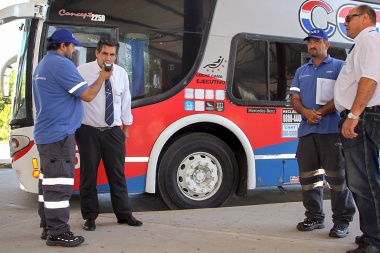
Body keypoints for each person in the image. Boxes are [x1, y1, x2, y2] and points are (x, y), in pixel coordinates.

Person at [33, 29, 111, 247]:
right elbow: (87, 95)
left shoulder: (43, 64)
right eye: (72, 45)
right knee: (59, 184)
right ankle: (58, 232)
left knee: (47, 183)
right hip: (59, 134)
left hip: (46, 132)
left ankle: (48, 226)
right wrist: (102, 78)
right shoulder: (61, 64)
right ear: (63, 45)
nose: (74, 49)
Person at [290, 28, 356, 238]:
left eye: (317, 41)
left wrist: (318, 113)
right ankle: (315, 217)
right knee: (309, 178)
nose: (312, 45)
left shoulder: (339, 67)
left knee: (337, 179)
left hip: (331, 132)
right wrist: (307, 113)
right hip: (308, 132)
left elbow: (342, 96)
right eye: (310, 41)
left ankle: (342, 221)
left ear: (327, 44)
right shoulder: (302, 71)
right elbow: (294, 98)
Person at [76, 37, 142, 231]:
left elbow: (125, 101)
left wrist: (126, 128)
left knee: (117, 174)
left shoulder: (121, 73)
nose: (108, 57)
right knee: (88, 175)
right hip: (88, 130)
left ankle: (124, 214)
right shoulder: (82, 71)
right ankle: (89, 217)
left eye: (112, 54)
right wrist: (102, 78)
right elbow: (77, 99)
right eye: (105, 53)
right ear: (96, 53)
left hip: (113, 131)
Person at [334, 4, 380, 253]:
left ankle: (375, 240)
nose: (345, 23)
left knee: (365, 183)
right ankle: (370, 234)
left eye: (348, 18)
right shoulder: (363, 42)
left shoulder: (369, 40)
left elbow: (370, 79)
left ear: (365, 18)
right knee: (361, 182)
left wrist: (353, 115)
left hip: (363, 119)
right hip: (361, 117)